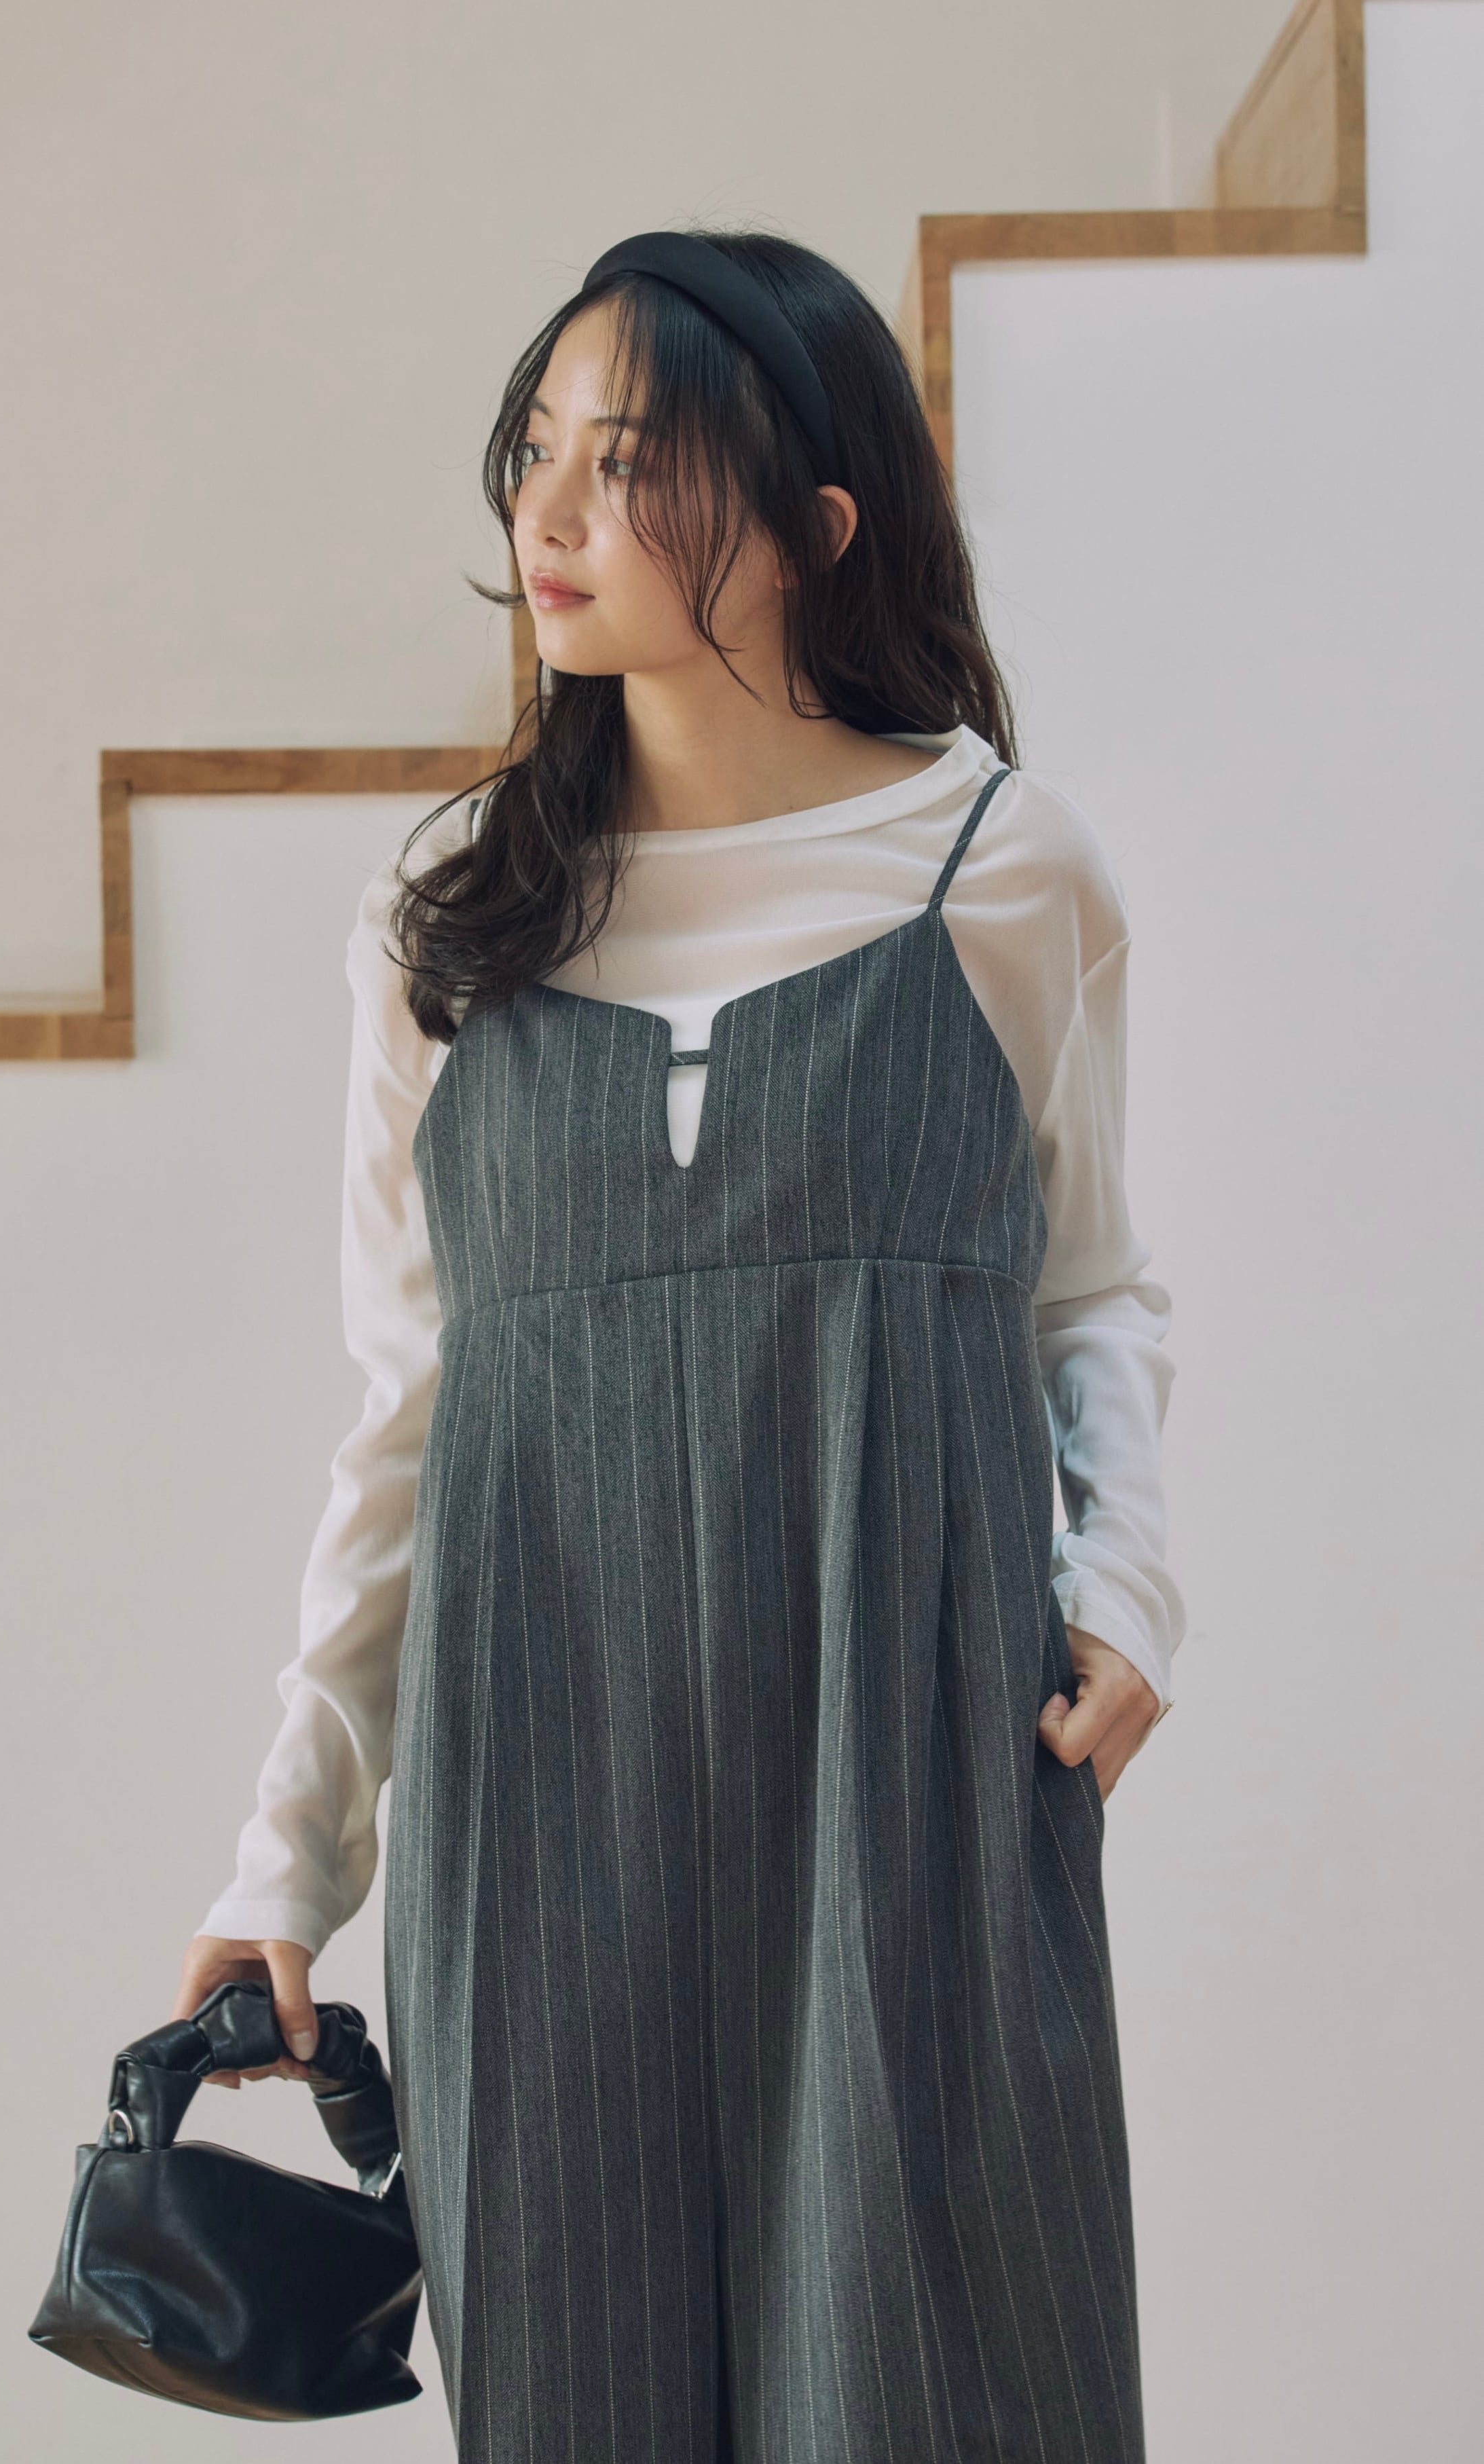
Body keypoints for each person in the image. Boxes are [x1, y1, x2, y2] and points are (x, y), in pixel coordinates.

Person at [174, 226, 1184, 2461]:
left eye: (624, 463)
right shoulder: (448, 920)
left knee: (952, 2393)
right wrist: (287, 1862)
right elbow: (408, 1413)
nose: (545, 515)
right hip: (537, 1800)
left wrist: (1127, 1594)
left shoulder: (1002, 868)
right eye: (533, 450)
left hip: (910, 1778)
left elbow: (1091, 1287)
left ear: (814, 525)